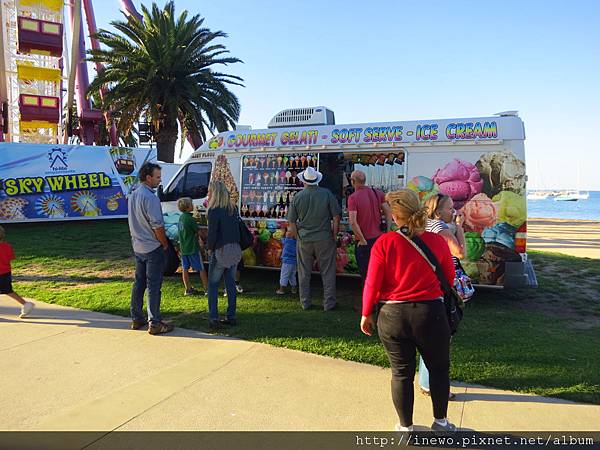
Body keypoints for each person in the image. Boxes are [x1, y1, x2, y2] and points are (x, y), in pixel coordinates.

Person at [360, 188, 456, 432]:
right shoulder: (437, 241)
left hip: (393, 317)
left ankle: (406, 427)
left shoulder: (385, 242)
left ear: (395, 215)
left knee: (401, 373)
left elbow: (373, 281)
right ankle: (441, 422)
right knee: (438, 368)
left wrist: (366, 312)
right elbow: (450, 277)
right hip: (430, 314)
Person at [418, 193, 466, 399]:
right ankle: (432, 385)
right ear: (438, 212)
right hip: (442, 287)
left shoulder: (425, 225)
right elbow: (460, 252)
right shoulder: (440, 228)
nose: (453, 211)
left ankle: (425, 380)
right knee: (440, 337)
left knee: (428, 335)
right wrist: (460, 227)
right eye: (449, 208)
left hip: (427, 283)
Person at [128, 162, 174, 335]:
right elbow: (158, 226)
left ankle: (136, 317)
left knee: (139, 283)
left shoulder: (133, 195)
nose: (159, 181)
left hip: (138, 246)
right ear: (148, 178)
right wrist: (164, 243)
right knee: (153, 285)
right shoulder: (151, 198)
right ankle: (154, 323)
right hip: (152, 247)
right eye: (157, 177)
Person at [287, 166, 341, 311]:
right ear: (317, 180)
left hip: (304, 239)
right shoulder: (326, 194)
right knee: (328, 272)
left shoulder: (298, 197)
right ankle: (329, 303)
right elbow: (336, 216)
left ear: (303, 181)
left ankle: (305, 302)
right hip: (324, 238)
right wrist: (334, 235)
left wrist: (298, 234)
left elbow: (291, 222)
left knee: (304, 272)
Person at [347, 170, 392, 311]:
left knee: (366, 274)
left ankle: (369, 304)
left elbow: (353, 222)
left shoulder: (353, 198)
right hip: (379, 239)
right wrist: (387, 229)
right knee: (380, 271)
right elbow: (388, 212)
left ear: (353, 181)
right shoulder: (377, 193)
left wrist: (361, 239)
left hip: (365, 241)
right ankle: (382, 300)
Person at [206, 180, 241, 329]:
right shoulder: (233, 208)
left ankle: (214, 317)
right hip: (235, 249)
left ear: (214, 193)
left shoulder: (214, 211)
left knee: (213, 285)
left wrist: (209, 248)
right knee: (230, 284)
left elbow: (212, 234)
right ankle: (231, 315)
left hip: (220, 250)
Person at [0, 225, 35, 318]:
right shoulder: (7, 246)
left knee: (7, 290)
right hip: (6, 272)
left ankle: (26, 304)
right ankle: (26, 304)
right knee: (8, 290)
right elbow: (10, 257)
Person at [177, 197, 208, 296]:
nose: (193, 206)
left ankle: (188, 288)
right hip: (193, 248)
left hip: (184, 248)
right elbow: (198, 232)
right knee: (201, 268)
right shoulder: (190, 219)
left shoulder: (181, 218)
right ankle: (207, 288)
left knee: (185, 269)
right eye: (191, 204)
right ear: (187, 207)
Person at [276, 228, 297, 295]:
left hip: (287, 261)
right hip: (294, 261)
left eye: (288, 231)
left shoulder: (288, 240)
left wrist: (282, 233)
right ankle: (294, 288)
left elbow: (280, 240)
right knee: (292, 276)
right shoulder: (296, 241)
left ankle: (281, 289)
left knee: (284, 275)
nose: (286, 233)